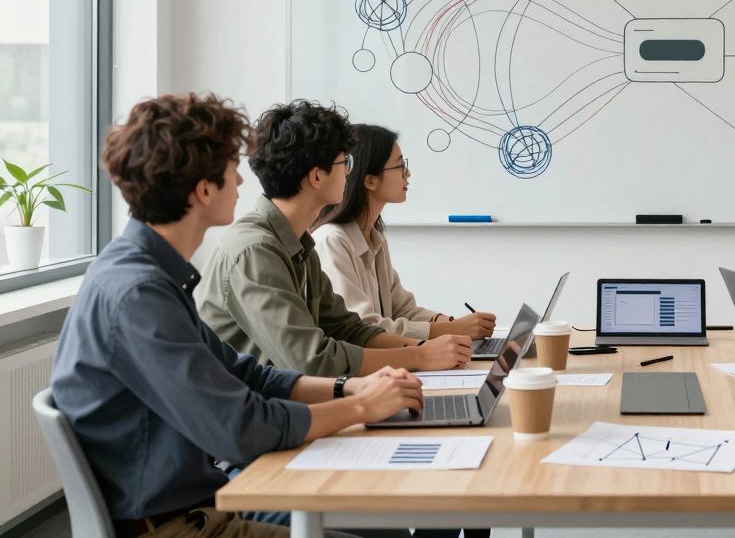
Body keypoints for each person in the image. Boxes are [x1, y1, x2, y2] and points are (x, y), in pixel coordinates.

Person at [50, 93, 423, 538]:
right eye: (231, 170)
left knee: (387, 524)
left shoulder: (149, 273)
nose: (243, 183)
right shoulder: (138, 295)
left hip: (195, 500)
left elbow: (247, 375)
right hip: (176, 525)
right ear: (203, 190)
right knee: (384, 526)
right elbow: (240, 428)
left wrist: (350, 386)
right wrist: (360, 406)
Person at [195, 100, 471, 377]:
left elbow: (347, 328)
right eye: (345, 162)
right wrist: (420, 355)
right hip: (253, 413)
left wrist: (425, 349)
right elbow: (312, 360)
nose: (349, 172)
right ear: (316, 176)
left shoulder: (299, 243)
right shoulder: (255, 251)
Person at [312, 124, 496, 341]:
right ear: (370, 180)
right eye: (400, 166)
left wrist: (453, 323)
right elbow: (362, 327)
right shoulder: (332, 241)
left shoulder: (374, 239)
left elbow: (404, 311)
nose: (407, 173)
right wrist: (454, 330)